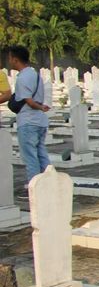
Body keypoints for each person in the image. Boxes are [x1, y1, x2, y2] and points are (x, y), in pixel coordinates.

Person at [8, 47, 51, 195]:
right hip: (40, 122)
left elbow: (29, 101)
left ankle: (36, 190)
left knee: (30, 157)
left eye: (10, 58)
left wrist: (40, 107)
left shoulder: (23, 77)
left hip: (28, 121)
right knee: (41, 154)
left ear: (15, 59)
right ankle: (49, 184)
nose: (9, 61)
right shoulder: (35, 74)